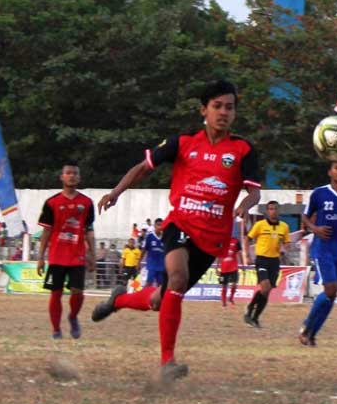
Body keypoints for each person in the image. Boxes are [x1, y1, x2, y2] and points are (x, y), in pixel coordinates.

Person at [91, 80, 261, 381]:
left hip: (211, 240)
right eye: (217, 106)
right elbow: (143, 168)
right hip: (179, 224)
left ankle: (118, 300)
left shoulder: (243, 149)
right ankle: (167, 362)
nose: (223, 112)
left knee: (161, 298)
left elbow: (254, 192)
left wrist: (246, 204)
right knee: (178, 277)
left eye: (229, 107)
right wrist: (116, 191)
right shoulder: (182, 143)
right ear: (203, 110)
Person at [298, 160, 337, 346]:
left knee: (332, 295)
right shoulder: (320, 193)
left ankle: (311, 334)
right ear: (330, 172)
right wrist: (315, 229)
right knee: (330, 289)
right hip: (322, 248)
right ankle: (307, 325)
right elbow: (304, 216)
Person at [36, 162, 96, 340]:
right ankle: (56, 329)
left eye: (75, 173)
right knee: (56, 293)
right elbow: (46, 231)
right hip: (56, 256)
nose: (72, 176)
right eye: (68, 173)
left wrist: (92, 254)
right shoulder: (51, 203)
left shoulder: (86, 203)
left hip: (77, 256)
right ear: (62, 177)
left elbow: (89, 231)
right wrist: (40, 257)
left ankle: (73, 317)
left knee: (78, 291)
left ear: (80, 178)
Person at [244, 200, 290, 328]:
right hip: (262, 259)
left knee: (267, 291)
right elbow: (247, 238)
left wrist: (284, 249)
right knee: (265, 287)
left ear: (278, 210)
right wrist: (247, 255)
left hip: (274, 261)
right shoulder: (260, 225)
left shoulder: (284, 226)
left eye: (275, 208)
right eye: (270, 209)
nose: (273, 211)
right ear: (267, 211)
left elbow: (287, 242)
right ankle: (250, 307)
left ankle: (255, 317)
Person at [142, 217, 166, 288]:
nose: (160, 227)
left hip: (161, 266)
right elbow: (144, 250)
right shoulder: (149, 236)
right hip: (151, 265)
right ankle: (144, 297)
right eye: (158, 225)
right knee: (149, 283)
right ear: (154, 226)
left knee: (161, 285)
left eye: (161, 225)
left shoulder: (165, 237)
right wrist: (138, 261)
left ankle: (159, 298)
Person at [218, 232, 240, 308]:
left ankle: (231, 298)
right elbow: (219, 254)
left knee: (234, 284)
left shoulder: (236, 241)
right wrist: (217, 267)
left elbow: (239, 253)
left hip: (234, 266)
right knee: (224, 285)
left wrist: (243, 264)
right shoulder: (222, 241)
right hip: (224, 268)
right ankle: (224, 303)